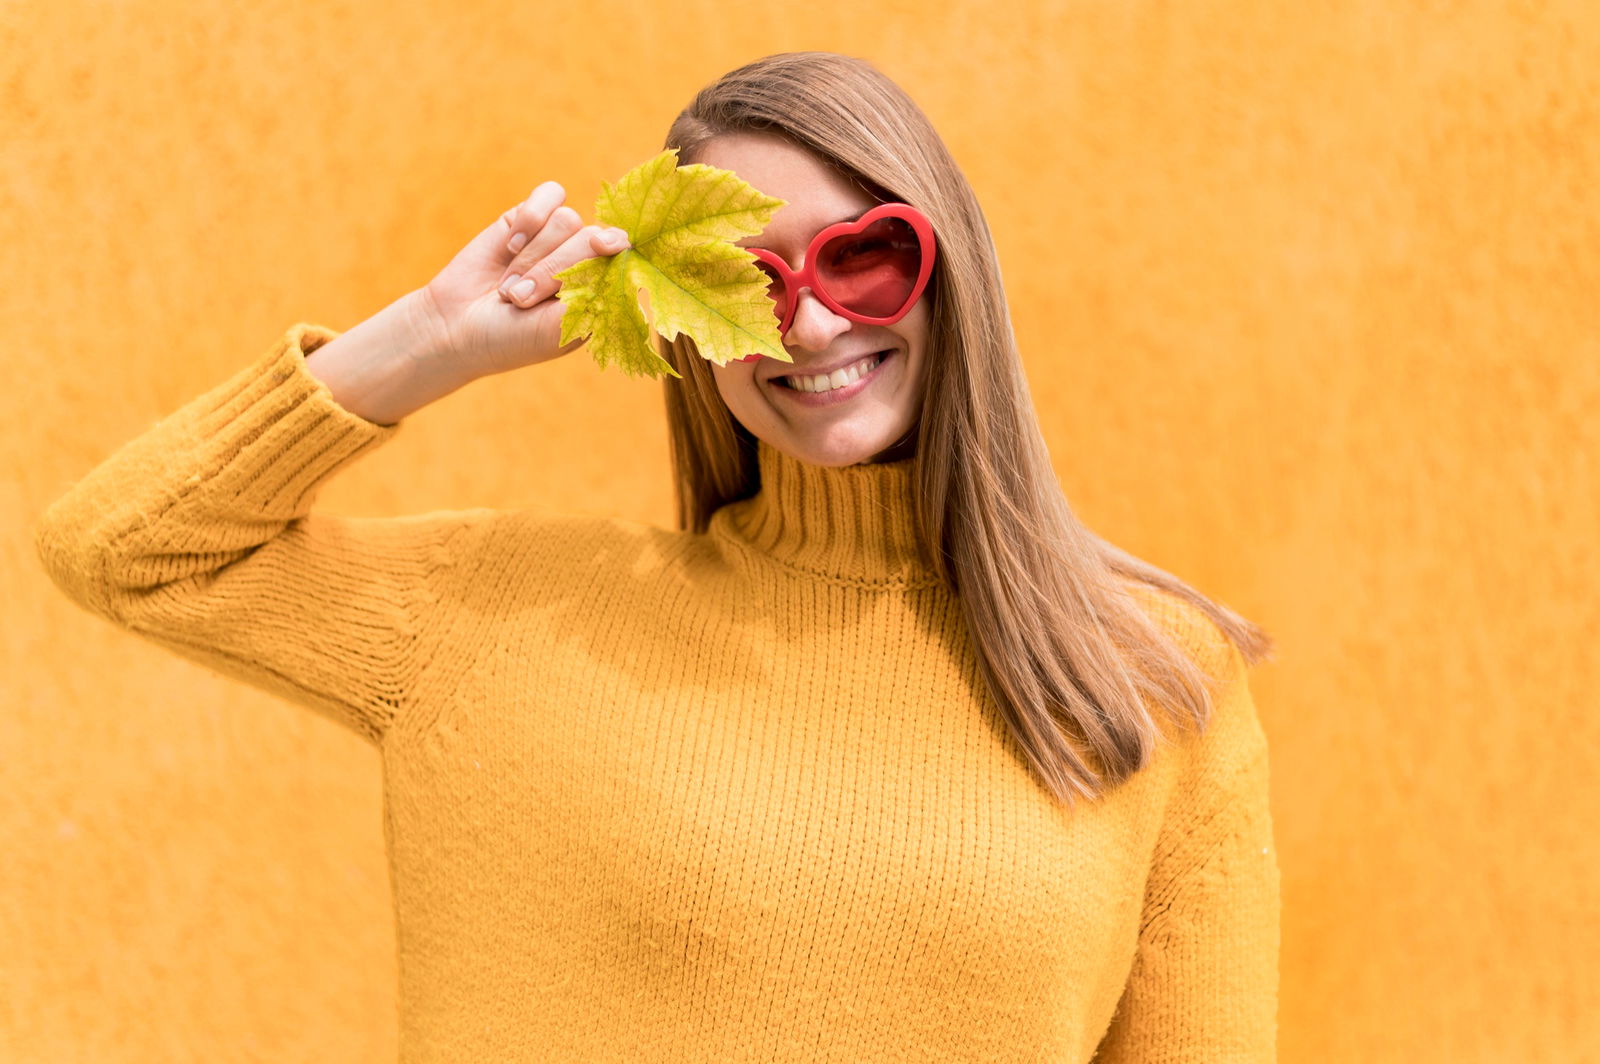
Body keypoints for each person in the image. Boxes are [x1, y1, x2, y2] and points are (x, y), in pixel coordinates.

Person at [34, 50, 1280, 1064]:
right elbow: (130, 546)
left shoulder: (1153, 678)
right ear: (683, 322)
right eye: (741, 275)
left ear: (949, 269)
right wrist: (431, 338)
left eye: (866, 252)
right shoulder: (507, 614)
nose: (810, 317)